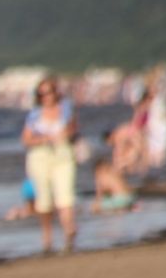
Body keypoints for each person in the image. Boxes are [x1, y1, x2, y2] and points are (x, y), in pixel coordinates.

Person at [21, 76, 78, 253]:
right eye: (42, 93)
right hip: (40, 156)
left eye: (49, 92)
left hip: (63, 154)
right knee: (43, 200)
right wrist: (45, 138)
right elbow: (26, 139)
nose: (46, 96)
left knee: (65, 195)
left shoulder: (66, 109)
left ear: (56, 92)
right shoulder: (35, 114)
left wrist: (65, 134)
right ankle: (47, 235)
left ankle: (69, 229)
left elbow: (73, 129)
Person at [92, 130, 137, 212]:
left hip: (120, 200)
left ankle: (120, 208)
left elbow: (99, 195)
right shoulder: (113, 172)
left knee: (96, 206)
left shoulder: (101, 176)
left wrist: (96, 206)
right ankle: (129, 207)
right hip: (130, 198)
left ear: (98, 170)